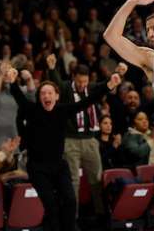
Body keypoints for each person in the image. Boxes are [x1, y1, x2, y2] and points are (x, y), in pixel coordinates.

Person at [4, 68, 121, 231]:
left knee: (70, 200)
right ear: (39, 97)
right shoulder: (32, 110)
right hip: (38, 168)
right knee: (51, 206)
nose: (47, 96)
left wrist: (108, 86)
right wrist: (12, 80)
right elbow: (18, 96)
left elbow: (87, 101)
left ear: (57, 96)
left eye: (50, 93)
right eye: (43, 93)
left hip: (59, 166)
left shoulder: (62, 110)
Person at [45, 55, 110, 216]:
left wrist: (117, 75)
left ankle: (101, 214)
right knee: (73, 181)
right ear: (73, 77)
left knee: (96, 178)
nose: (82, 85)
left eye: (85, 82)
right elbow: (57, 85)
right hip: (70, 141)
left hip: (90, 140)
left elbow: (105, 85)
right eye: (79, 81)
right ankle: (72, 218)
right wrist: (52, 69)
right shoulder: (66, 88)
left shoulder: (91, 88)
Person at [104, 0, 154, 137]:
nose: (150, 34)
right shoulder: (152, 59)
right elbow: (111, 37)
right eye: (148, 30)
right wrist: (130, 3)